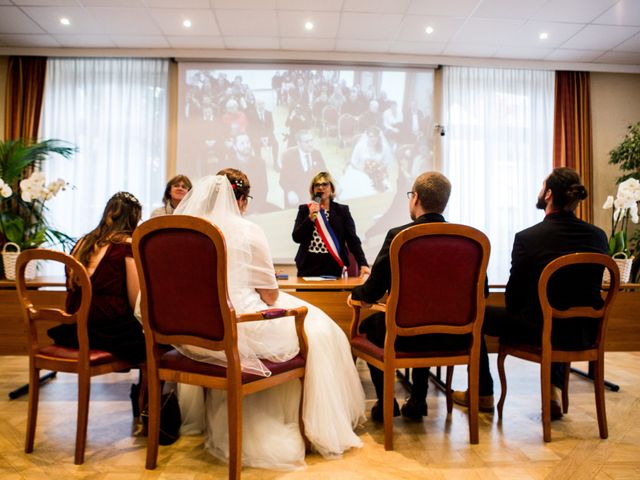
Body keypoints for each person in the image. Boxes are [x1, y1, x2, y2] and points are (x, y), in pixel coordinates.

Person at [168, 169, 366, 470]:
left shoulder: (189, 231)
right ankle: (309, 425)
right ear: (243, 200)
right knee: (321, 330)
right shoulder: (247, 231)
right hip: (240, 328)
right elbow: (271, 297)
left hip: (196, 332)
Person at [452, 167, 609, 420]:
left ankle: (482, 393)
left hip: (541, 330)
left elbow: (513, 299)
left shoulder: (529, 238)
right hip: (585, 331)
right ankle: (553, 390)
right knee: (557, 311)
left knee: (476, 315)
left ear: (548, 194)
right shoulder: (598, 236)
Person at [349, 171, 470, 422]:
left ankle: (386, 403)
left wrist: (355, 295)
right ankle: (418, 399)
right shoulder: (466, 240)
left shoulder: (399, 237)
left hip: (404, 338)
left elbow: (372, 291)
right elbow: (482, 292)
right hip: (452, 338)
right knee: (424, 320)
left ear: (415, 198)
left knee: (369, 326)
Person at [48, 191, 146, 366]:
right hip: (105, 330)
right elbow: (135, 301)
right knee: (158, 340)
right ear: (133, 218)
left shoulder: (83, 242)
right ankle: (145, 392)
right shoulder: (127, 245)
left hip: (73, 328)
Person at [292, 171, 370, 278]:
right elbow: (296, 237)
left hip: (333, 266)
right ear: (313, 190)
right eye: (317, 185)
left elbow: (353, 240)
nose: (321, 187)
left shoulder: (342, 211)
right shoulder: (305, 210)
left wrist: (363, 263)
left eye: (325, 184)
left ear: (332, 188)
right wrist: (310, 218)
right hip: (308, 265)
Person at [279, 130, 327, 208]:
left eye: (311, 140)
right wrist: (289, 192)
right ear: (298, 143)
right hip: (296, 194)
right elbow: (283, 179)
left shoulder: (316, 153)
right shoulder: (289, 157)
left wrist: (334, 183)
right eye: (307, 142)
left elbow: (324, 172)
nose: (310, 144)